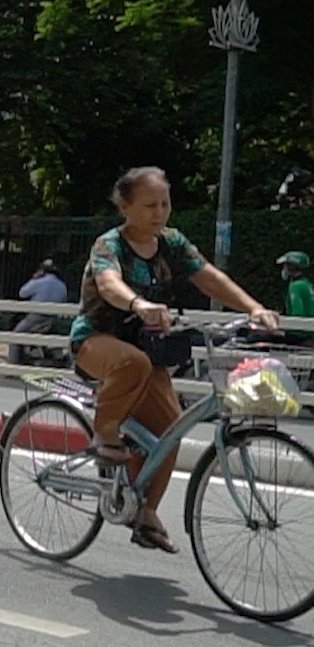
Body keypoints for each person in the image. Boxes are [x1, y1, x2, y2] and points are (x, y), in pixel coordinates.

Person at [70, 166, 279, 553]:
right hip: (98, 341)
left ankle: (145, 511)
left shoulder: (172, 243)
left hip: (150, 351)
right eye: (149, 205)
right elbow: (108, 283)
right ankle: (106, 432)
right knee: (132, 363)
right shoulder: (109, 245)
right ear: (124, 206)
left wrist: (254, 308)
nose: (159, 212)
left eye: (164, 203)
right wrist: (138, 303)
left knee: (171, 429)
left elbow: (208, 276)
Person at [8, 259, 68, 365]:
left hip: (36, 317)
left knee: (15, 336)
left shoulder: (39, 282)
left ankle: (14, 364)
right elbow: (63, 301)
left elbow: (22, 293)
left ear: (43, 271)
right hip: (51, 319)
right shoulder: (62, 286)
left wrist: (33, 279)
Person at [277, 251, 314, 318]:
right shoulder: (306, 283)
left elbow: (297, 313)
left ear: (291, 266)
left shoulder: (295, 286)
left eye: (285, 265)